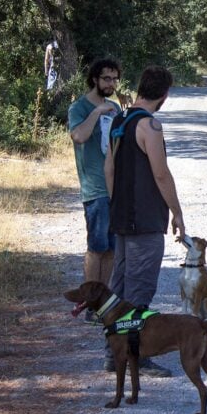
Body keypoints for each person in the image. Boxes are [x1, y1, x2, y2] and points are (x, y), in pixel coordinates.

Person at [103, 65, 185, 377]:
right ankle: (135, 354)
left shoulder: (119, 120)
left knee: (119, 287)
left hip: (121, 217)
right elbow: (160, 173)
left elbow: (109, 169)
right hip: (145, 220)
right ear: (164, 95)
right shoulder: (150, 126)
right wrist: (176, 211)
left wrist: (116, 204)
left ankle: (113, 353)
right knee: (138, 290)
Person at [67, 58, 122, 323]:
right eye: (106, 79)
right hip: (95, 188)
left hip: (115, 188)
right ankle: (89, 303)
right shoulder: (80, 107)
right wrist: (97, 112)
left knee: (112, 248)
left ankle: (103, 303)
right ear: (94, 80)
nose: (111, 83)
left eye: (114, 79)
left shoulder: (114, 107)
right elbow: (78, 136)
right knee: (96, 247)